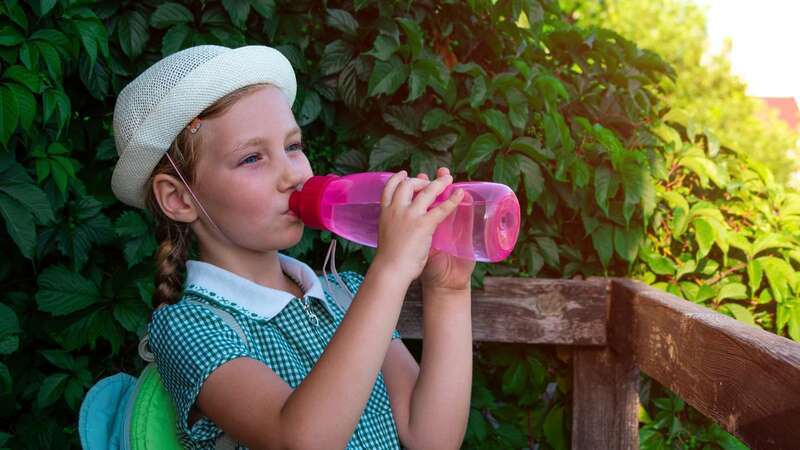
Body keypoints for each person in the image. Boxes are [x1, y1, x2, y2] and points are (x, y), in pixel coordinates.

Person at [110, 44, 475, 449]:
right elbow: (300, 440)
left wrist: (448, 291)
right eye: (252, 158)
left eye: (293, 146)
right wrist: (389, 271)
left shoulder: (346, 293)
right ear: (178, 199)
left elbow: (431, 438)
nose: (292, 175)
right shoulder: (188, 326)